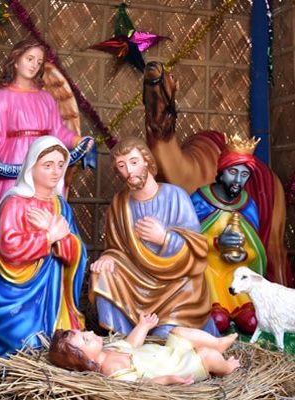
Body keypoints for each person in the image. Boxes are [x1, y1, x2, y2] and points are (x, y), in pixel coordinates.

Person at [0, 38, 85, 332]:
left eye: (39, 61)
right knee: (6, 230)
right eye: (29, 58)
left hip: (45, 165)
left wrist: (80, 141)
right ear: (16, 60)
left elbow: (59, 133)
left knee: (48, 225)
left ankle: (43, 309)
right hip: (14, 168)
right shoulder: (1, 97)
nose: (34, 65)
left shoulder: (46, 99)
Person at [0, 136, 87, 372]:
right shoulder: (15, 203)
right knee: (26, 345)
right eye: (48, 165)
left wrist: (62, 239)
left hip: (54, 294)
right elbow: (9, 247)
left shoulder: (61, 206)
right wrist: (49, 237)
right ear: (31, 166)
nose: (55, 171)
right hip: (18, 295)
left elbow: (78, 249)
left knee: (63, 344)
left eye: (60, 165)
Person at [89, 136, 218, 337]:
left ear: (147, 161)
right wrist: (108, 257)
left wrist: (164, 238)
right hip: (136, 279)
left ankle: (164, 329)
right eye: (122, 166)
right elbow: (116, 248)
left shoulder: (176, 196)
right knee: (102, 273)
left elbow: (198, 248)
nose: (129, 171)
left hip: (175, 284)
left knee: (164, 337)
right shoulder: (120, 203)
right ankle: (124, 339)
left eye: (134, 162)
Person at [191, 134, 266, 334]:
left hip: (236, 274)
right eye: (233, 172)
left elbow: (256, 249)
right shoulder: (201, 200)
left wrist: (244, 254)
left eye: (244, 174)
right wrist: (216, 242)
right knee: (218, 322)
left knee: (251, 322)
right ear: (222, 171)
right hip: (207, 272)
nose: (238, 180)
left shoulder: (247, 205)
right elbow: (184, 240)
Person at [48, 313, 240, 384]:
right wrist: (168, 379)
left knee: (178, 331)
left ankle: (218, 343)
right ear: (87, 360)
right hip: (173, 367)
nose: (90, 332)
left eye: (84, 332)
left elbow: (131, 344)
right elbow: (143, 387)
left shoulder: (109, 349)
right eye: (86, 339)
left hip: (166, 354)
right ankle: (225, 367)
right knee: (207, 355)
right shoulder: (113, 371)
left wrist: (143, 326)